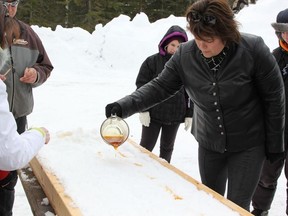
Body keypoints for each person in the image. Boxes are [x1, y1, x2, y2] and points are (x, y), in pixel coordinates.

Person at [105, 0, 285, 211]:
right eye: (198, 38)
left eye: (208, 39)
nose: (202, 45)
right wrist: (123, 106)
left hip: (248, 144)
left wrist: (275, 144)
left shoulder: (253, 50)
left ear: (226, 33)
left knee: (237, 207)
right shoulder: (185, 55)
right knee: (210, 201)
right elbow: (160, 86)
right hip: (209, 142)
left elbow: (274, 98)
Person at [0, 1, 53, 215]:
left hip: (17, 113)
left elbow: (46, 65)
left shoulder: (27, 33)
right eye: (5, 3)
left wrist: (36, 74)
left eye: (14, 3)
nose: (10, 7)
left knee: (8, 174)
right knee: (10, 158)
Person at [136, 25, 193, 163]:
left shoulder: (186, 66)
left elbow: (190, 92)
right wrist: (143, 109)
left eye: (179, 47)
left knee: (167, 148)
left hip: (174, 115)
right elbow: (142, 86)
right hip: (153, 114)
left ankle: (164, 176)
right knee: (146, 147)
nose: (175, 49)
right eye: (173, 45)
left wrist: (190, 113)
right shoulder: (151, 62)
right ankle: (140, 172)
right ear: (165, 43)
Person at [251, 8, 288, 216]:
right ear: (280, 33)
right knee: (266, 176)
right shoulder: (272, 59)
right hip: (276, 130)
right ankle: (259, 210)